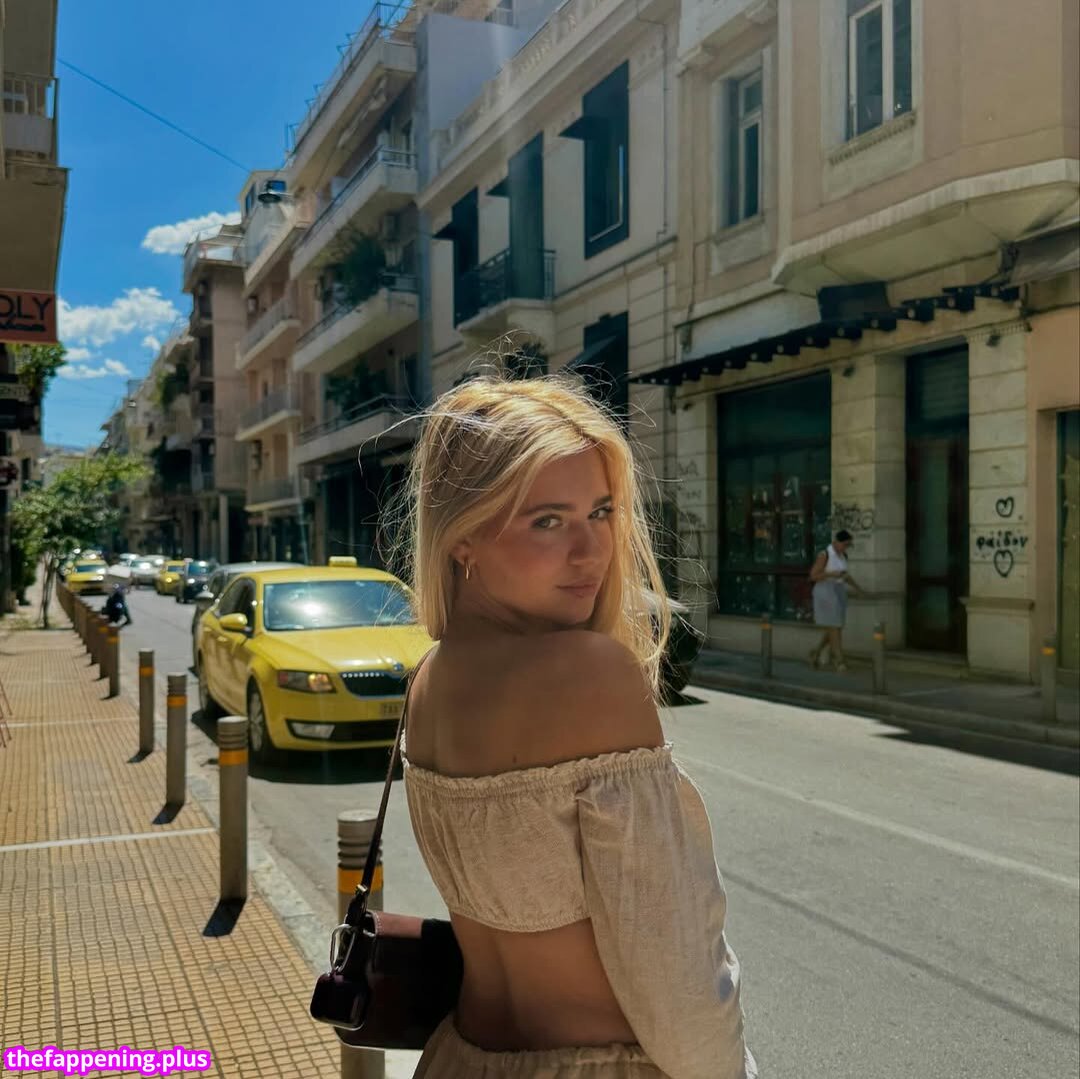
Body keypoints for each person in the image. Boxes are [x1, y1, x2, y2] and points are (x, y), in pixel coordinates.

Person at [395, 374, 756, 1078]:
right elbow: (679, 984)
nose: (592, 551)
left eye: (600, 511)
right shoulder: (586, 672)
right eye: (547, 521)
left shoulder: (431, 677)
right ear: (462, 536)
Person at [808, 529, 865, 672]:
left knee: (836, 626)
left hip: (839, 590)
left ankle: (816, 652)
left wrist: (858, 589)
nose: (846, 548)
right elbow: (813, 576)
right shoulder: (825, 555)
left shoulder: (843, 556)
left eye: (848, 545)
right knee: (834, 626)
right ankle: (839, 659)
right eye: (844, 544)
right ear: (836, 542)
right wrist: (830, 574)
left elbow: (845, 576)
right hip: (825, 591)